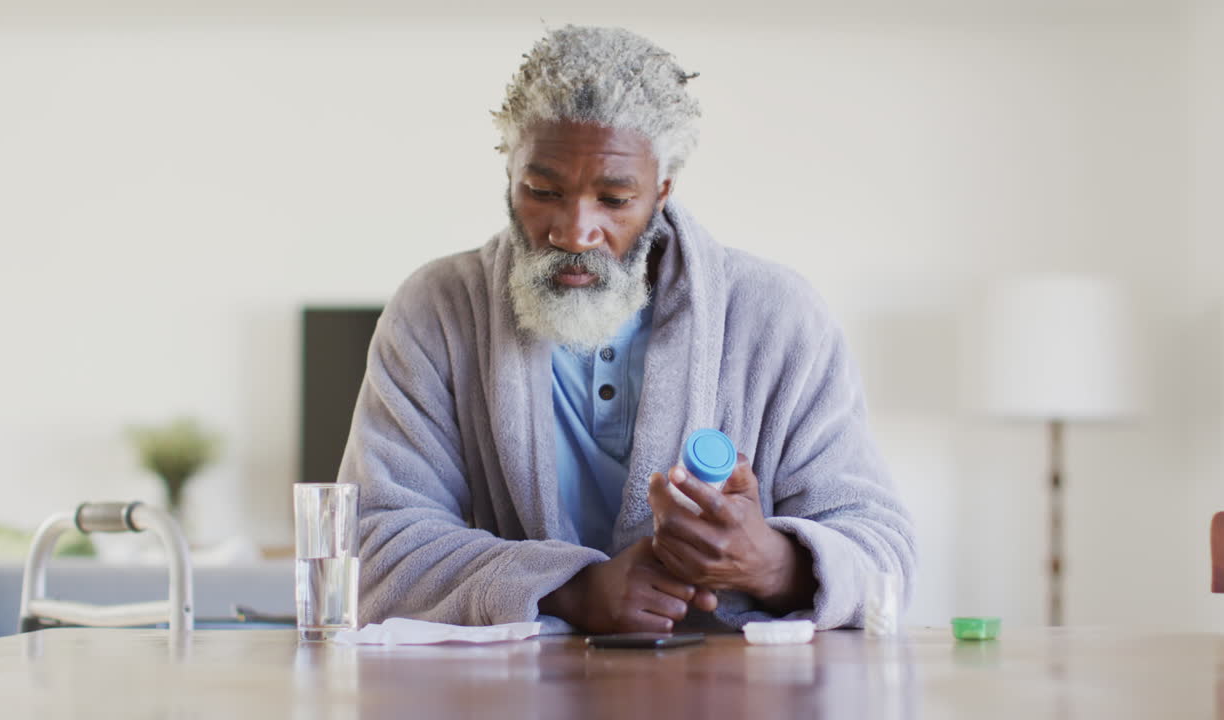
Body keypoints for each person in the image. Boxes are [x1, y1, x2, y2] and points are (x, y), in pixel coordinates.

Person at [337, 25, 915, 634]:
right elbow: (372, 546)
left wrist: (770, 563)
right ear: (509, 175)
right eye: (542, 191)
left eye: (614, 199)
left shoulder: (777, 317)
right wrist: (571, 589)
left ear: (661, 192)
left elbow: (885, 556)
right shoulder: (437, 311)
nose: (574, 231)